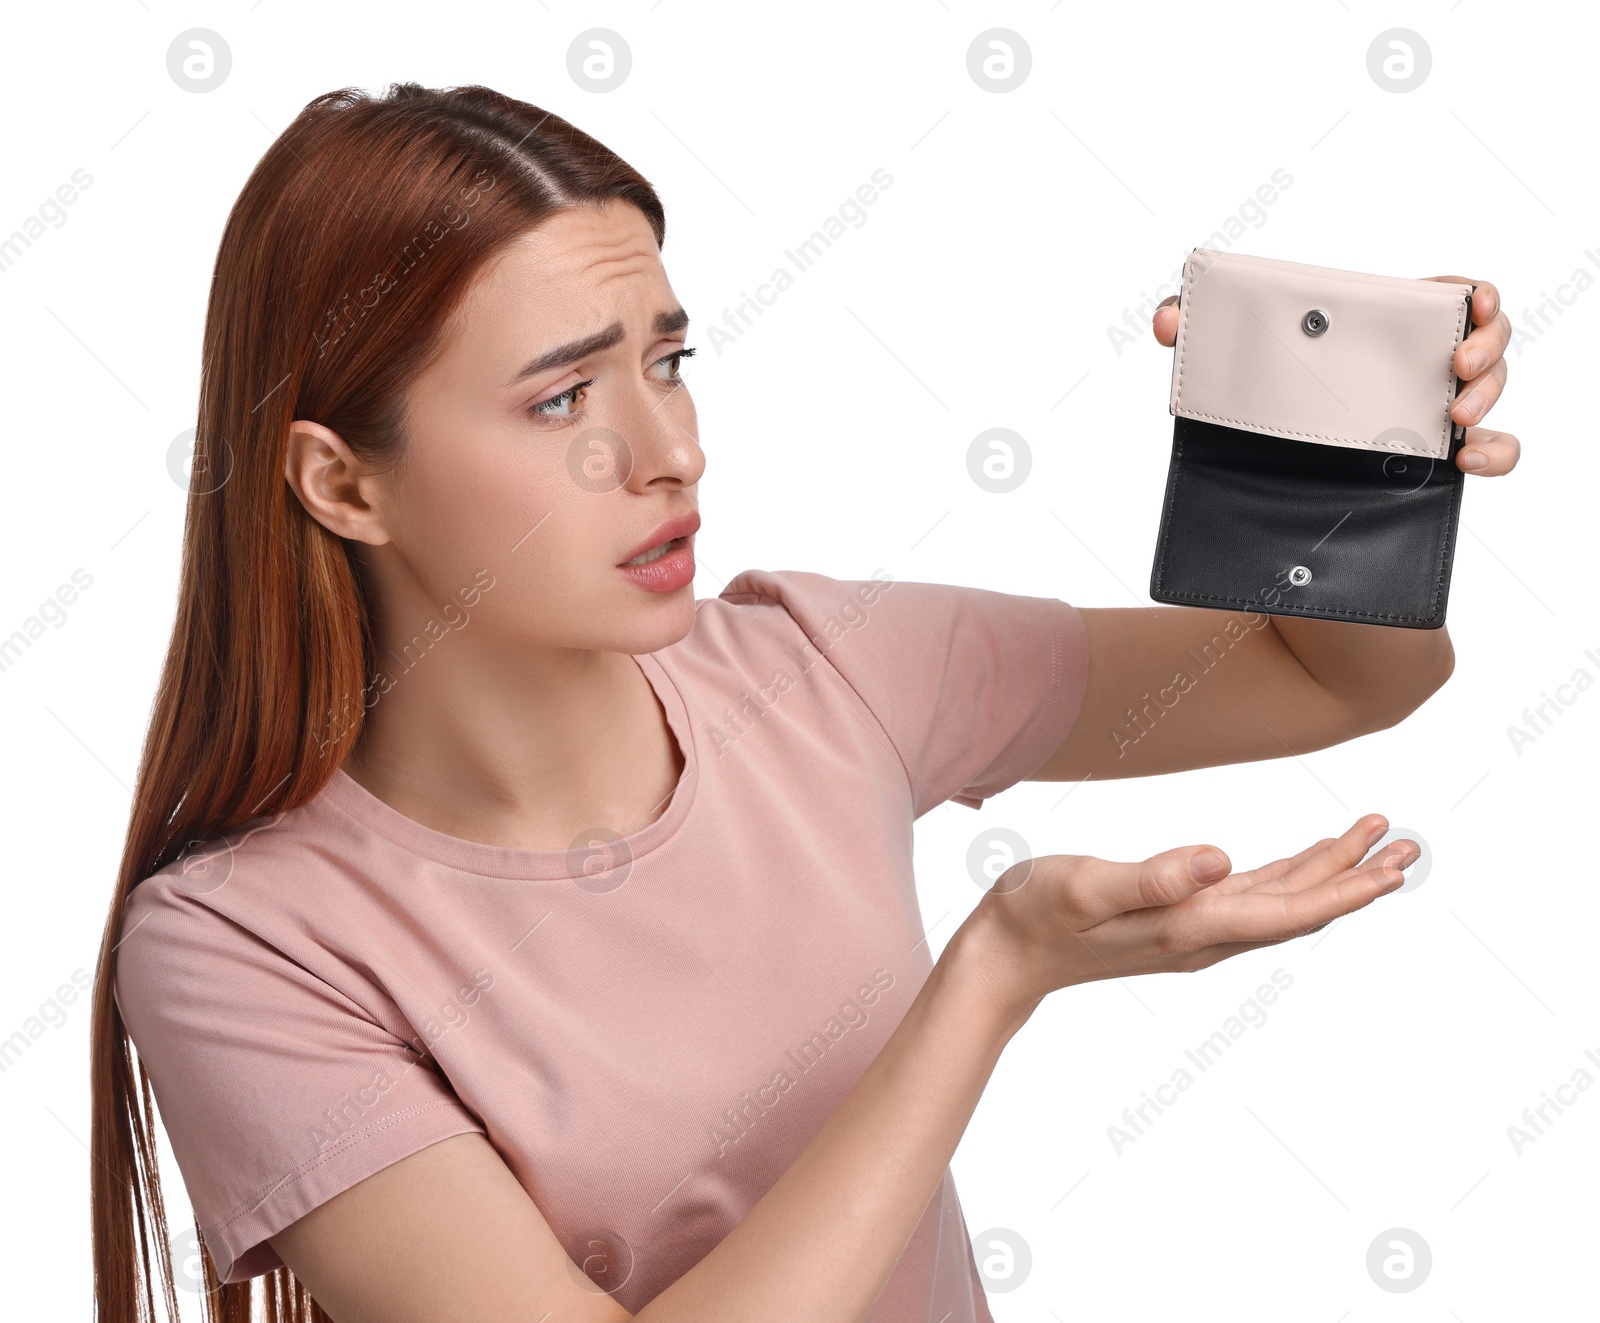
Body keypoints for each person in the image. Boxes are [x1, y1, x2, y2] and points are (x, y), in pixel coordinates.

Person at [88, 82, 1518, 1323]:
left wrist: (1349, 465)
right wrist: (992, 979)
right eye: (560, 400)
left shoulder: (817, 669)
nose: (672, 450)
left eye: (666, 360)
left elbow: (1331, 672)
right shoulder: (240, 950)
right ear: (343, 481)